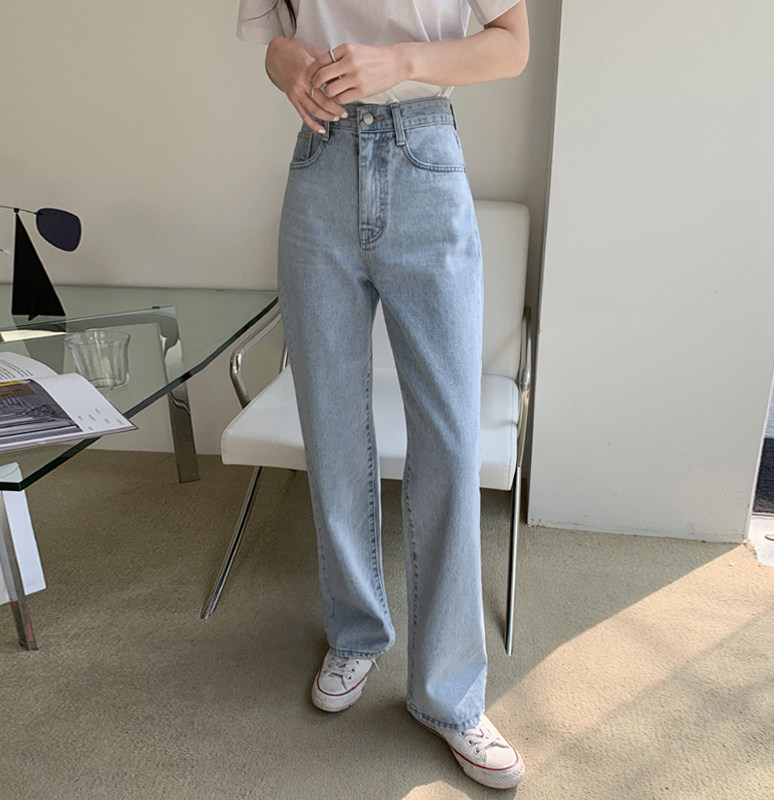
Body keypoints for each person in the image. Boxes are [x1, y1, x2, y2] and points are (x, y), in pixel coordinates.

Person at [237, 0, 530, 790]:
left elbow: (511, 46)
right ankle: (356, 632)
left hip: (424, 156)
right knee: (331, 424)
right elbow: (274, 39)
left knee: (450, 439)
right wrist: (286, 66)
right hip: (319, 167)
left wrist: (400, 62)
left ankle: (449, 694)